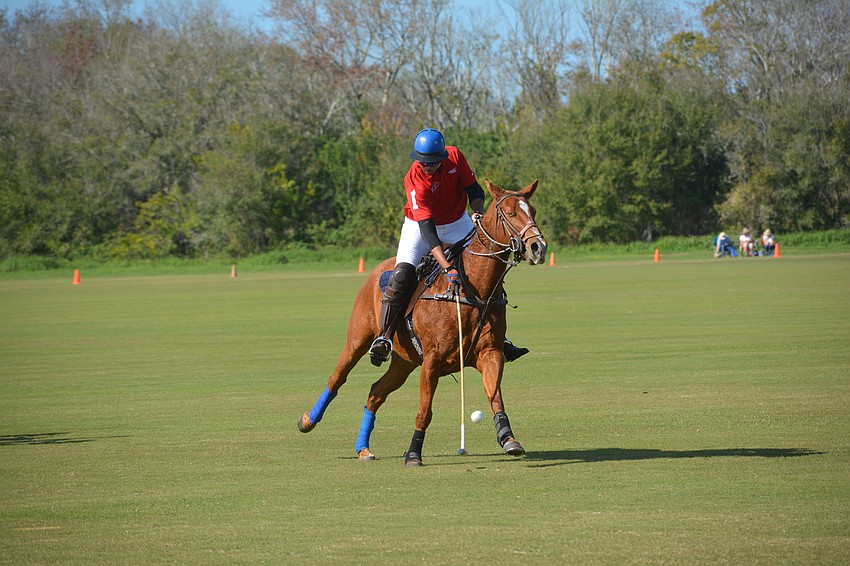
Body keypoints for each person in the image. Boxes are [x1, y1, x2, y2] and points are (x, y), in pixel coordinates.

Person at [368, 128, 528, 366]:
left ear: (442, 157)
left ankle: (499, 338)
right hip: (420, 227)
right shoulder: (414, 180)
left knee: (484, 265)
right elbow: (428, 233)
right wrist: (446, 267)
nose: (428, 167)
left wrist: (476, 212)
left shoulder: (454, 156)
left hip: (456, 221)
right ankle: (384, 338)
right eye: (423, 162)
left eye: (433, 162)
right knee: (402, 274)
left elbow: (474, 189)